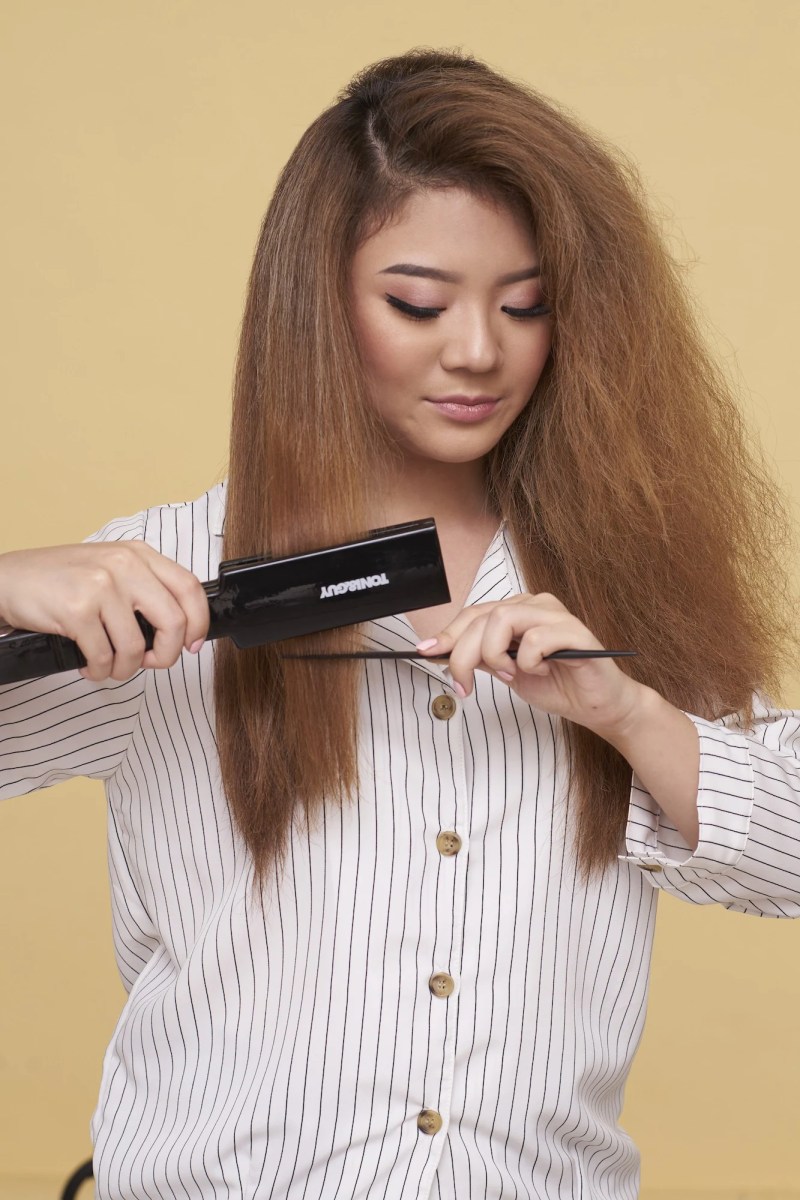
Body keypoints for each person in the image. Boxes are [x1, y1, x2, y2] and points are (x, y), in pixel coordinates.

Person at [0, 48, 798, 1200]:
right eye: (417, 303)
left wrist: (626, 712)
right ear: (318, 303)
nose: (477, 349)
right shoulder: (162, 579)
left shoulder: (622, 580)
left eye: (525, 305)